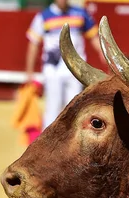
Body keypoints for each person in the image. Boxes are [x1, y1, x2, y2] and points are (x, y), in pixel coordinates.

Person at [25, 0, 104, 130]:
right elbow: (33, 44)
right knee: (53, 107)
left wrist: (102, 53)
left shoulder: (80, 13)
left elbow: (93, 36)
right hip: (53, 69)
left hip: (76, 69)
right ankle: (48, 143)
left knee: (74, 107)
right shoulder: (43, 16)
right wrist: (29, 72)